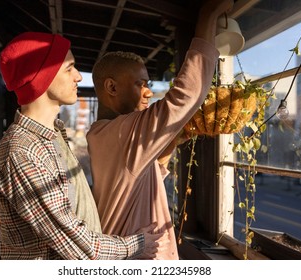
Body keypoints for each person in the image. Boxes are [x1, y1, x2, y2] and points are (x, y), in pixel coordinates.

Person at [0, 31, 165, 260]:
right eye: (69, 68)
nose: (78, 77)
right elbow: (78, 246)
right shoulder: (23, 151)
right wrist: (138, 243)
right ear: (43, 75)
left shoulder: (52, 137)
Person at [87, 0, 234, 260]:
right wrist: (209, 12)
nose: (148, 92)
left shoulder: (101, 134)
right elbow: (186, 95)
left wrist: (174, 139)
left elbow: (142, 174)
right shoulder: (125, 131)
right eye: (139, 84)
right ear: (111, 88)